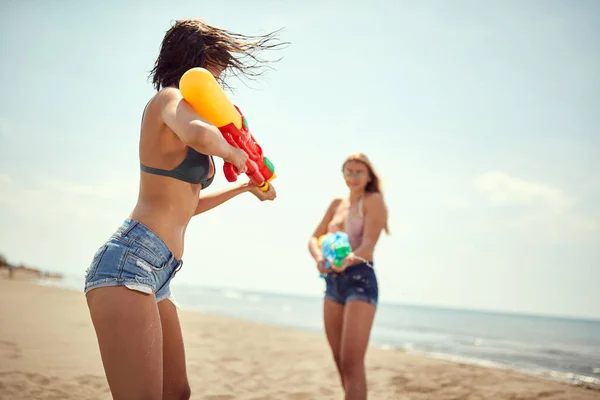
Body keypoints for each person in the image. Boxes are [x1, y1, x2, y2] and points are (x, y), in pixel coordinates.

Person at [84, 19, 286, 400]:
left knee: (177, 392)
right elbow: (197, 134)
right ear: (197, 61)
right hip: (129, 262)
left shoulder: (192, 114)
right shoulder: (168, 101)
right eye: (217, 66)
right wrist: (229, 151)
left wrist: (246, 187)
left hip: (160, 271)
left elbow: (186, 206)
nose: (220, 78)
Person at [308, 153, 390, 400]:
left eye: (359, 172)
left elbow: (368, 246)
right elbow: (313, 238)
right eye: (348, 171)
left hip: (360, 279)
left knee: (352, 362)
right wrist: (319, 259)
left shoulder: (373, 200)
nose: (353, 176)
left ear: (368, 177)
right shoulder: (336, 204)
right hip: (332, 281)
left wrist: (349, 260)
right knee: (340, 362)